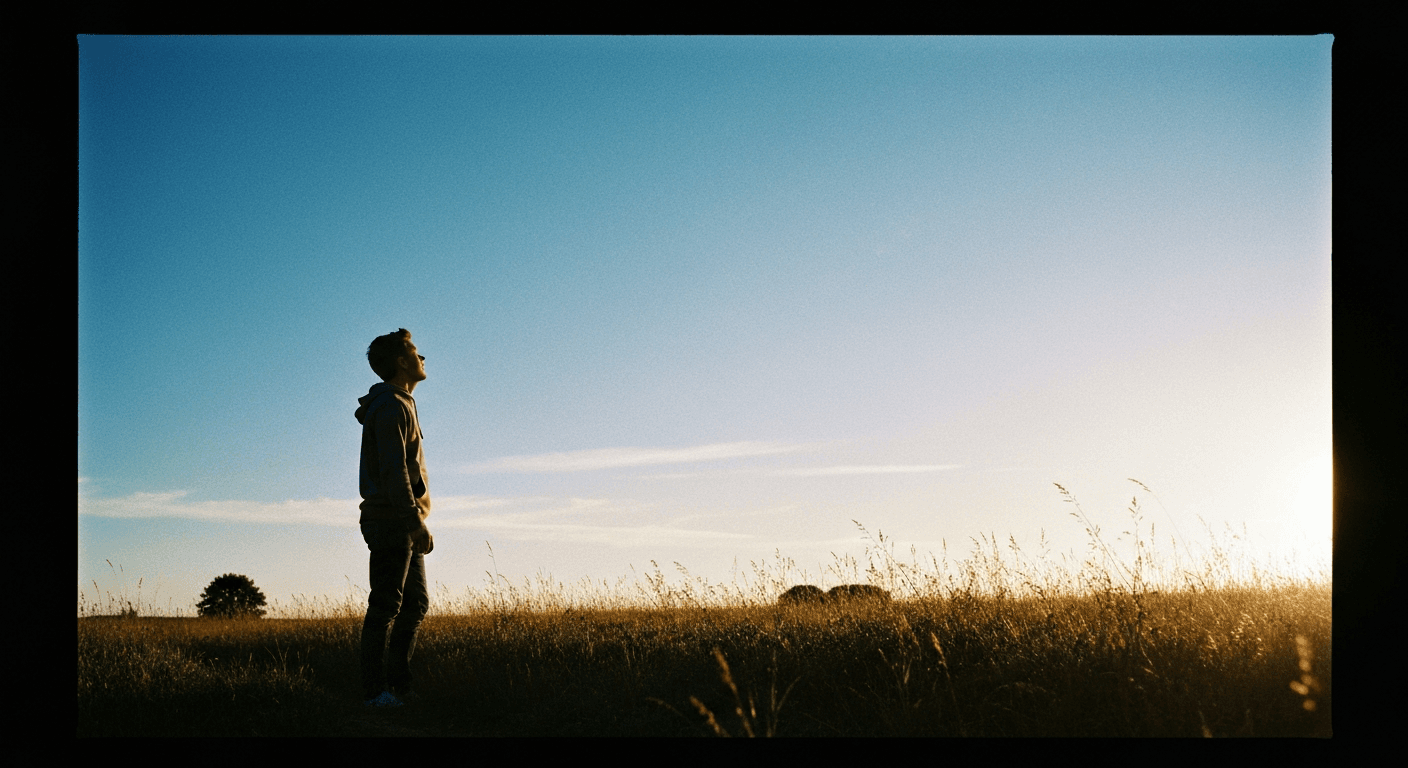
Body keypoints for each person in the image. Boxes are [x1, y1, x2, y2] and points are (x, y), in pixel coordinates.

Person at [355, 329, 434, 707]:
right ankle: (374, 693)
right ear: (402, 361)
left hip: (400, 518)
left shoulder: (400, 403)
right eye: (417, 353)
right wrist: (413, 521)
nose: (423, 359)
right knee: (386, 604)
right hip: (391, 519)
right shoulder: (391, 405)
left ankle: (399, 688)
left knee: (414, 605)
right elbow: (395, 471)